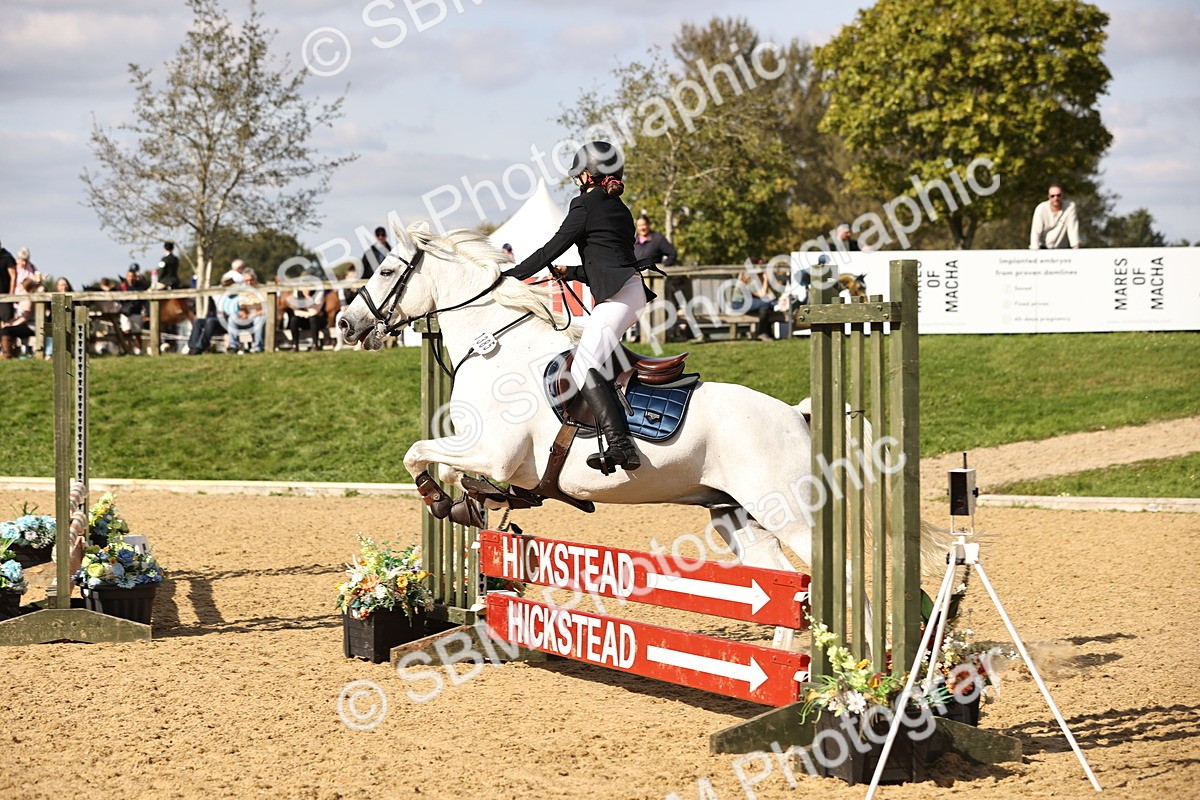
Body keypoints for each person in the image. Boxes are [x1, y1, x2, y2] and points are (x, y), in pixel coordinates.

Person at [502, 140, 647, 473]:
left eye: (577, 175)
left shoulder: (584, 204)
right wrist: (574, 272)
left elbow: (549, 248)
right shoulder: (620, 209)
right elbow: (610, 260)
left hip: (619, 298)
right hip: (630, 293)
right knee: (592, 363)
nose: (575, 181)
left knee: (582, 367)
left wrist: (511, 275)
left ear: (586, 174)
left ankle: (621, 446)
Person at [732, 261, 777, 341]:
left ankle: (764, 333)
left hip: (742, 303)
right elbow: (763, 294)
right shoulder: (751, 280)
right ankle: (762, 333)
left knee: (766, 306)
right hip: (739, 304)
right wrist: (765, 278)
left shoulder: (749, 277)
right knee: (766, 304)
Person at [1029, 183, 1080, 249]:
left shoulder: (1070, 207)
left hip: (1062, 249)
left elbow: (1073, 229)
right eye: (1052, 196)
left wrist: (1076, 249)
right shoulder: (1041, 209)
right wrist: (1034, 252)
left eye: (1058, 195)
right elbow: (1036, 232)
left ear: (1062, 195)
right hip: (1043, 248)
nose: (1055, 198)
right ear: (1048, 196)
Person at [0, 277, 39, 359]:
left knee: (6, 330)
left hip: (30, 326)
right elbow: (18, 316)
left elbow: (25, 317)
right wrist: (10, 323)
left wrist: (11, 325)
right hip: (25, 325)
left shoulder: (28, 298)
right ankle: (9, 353)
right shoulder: (24, 298)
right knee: (5, 329)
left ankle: (7, 355)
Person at [0, 238, 15, 323]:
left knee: (7, 325)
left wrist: (11, 294)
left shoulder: (7, 257)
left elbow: (13, 276)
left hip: (5, 296)